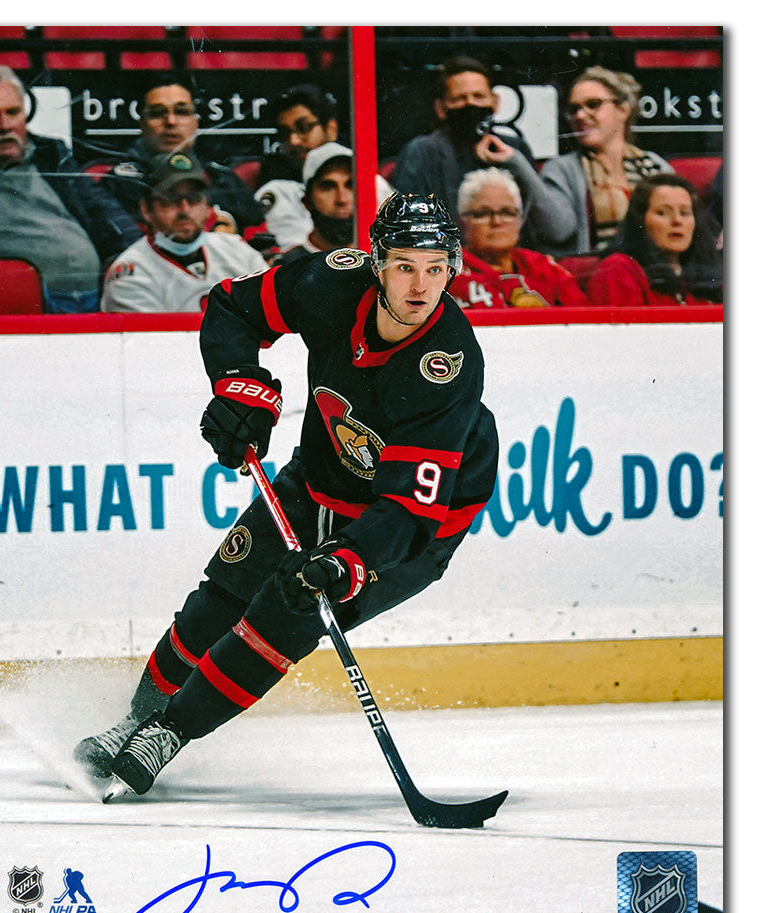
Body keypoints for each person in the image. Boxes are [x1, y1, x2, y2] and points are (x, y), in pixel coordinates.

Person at [74, 194, 500, 798]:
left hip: (407, 532)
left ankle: (167, 734)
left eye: (436, 269)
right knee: (221, 599)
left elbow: (408, 510)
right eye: (405, 265)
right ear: (376, 263)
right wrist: (238, 387)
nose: (420, 286)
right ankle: (133, 721)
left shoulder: (447, 363)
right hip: (315, 482)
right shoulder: (331, 282)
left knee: (286, 615)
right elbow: (231, 305)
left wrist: (348, 559)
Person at [0, 64, 143, 313]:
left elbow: (103, 210)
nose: (5, 125)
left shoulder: (52, 153)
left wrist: (141, 257)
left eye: (13, 112)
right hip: (25, 306)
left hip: (98, 297)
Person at [529, 66, 673, 258]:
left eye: (593, 104)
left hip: (656, 267)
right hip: (597, 270)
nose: (581, 115)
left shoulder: (655, 165)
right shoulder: (561, 169)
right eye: (574, 109)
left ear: (623, 110)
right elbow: (558, 231)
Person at [100, 153, 268, 313]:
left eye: (194, 198)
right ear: (146, 209)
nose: (184, 210)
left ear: (207, 206)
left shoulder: (236, 249)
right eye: (170, 199)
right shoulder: (131, 274)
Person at [390, 56, 539, 234]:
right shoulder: (422, 151)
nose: (470, 104)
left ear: (495, 102)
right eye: (459, 98)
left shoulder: (514, 148)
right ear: (440, 108)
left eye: (478, 96)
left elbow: (537, 221)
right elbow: (408, 223)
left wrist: (514, 161)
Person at [103, 72, 264, 234]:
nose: (171, 122)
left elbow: (262, 238)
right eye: (157, 113)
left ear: (195, 122)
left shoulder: (222, 179)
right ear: (142, 125)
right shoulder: (119, 184)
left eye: (181, 112)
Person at [256, 84, 393, 251]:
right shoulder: (277, 190)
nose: (293, 141)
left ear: (331, 129)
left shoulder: (368, 179)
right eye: (285, 133)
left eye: (304, 128)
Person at [449, 168, 588, 308]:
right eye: (483, 213)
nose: (497, 221)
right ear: (462, 221)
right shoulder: (448, 272)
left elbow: (583, 316)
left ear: (519, 220)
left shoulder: (542, 267)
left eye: (507, 212)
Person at [586, 173, 723, 306]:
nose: (677, 221)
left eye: (684, 213)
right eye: (662, 213)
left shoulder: (712, 274)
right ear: (640, 220)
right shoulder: (618, 269)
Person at [275, 142, 355, 262]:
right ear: (307, 201)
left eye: (351, 185)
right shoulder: (288, 267)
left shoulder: (381, 262)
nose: (342, 199)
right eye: (328, 187)